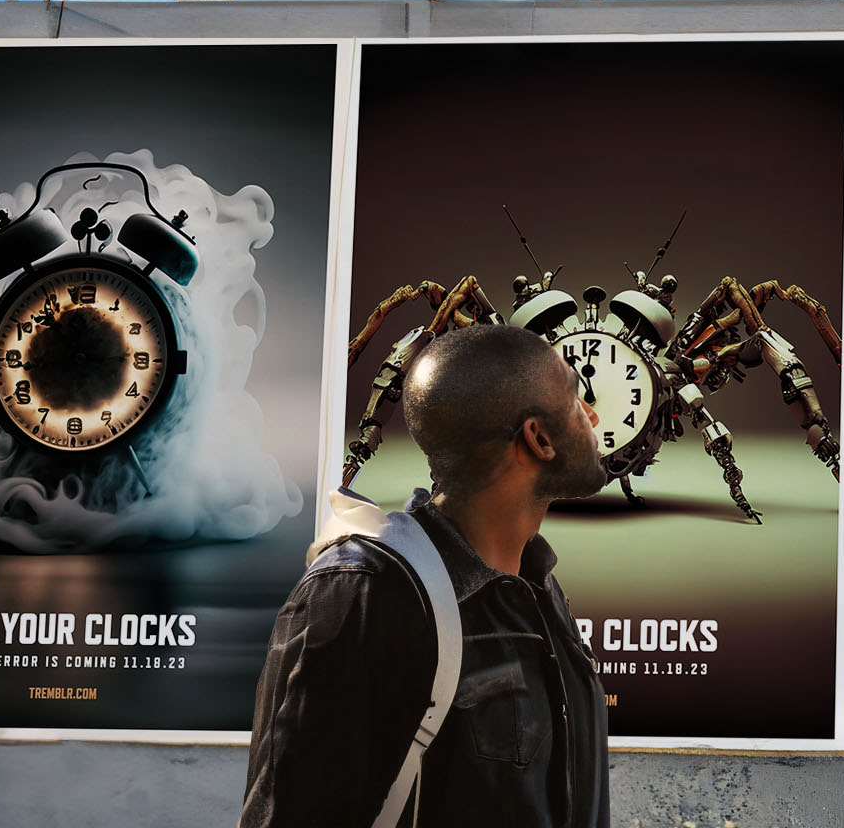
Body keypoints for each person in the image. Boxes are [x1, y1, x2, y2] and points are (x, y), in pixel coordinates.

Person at [242, 324, 610, 827]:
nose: (592, 415)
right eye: (575, 400)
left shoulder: (539, 588)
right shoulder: (362, 593)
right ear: (538, 438)